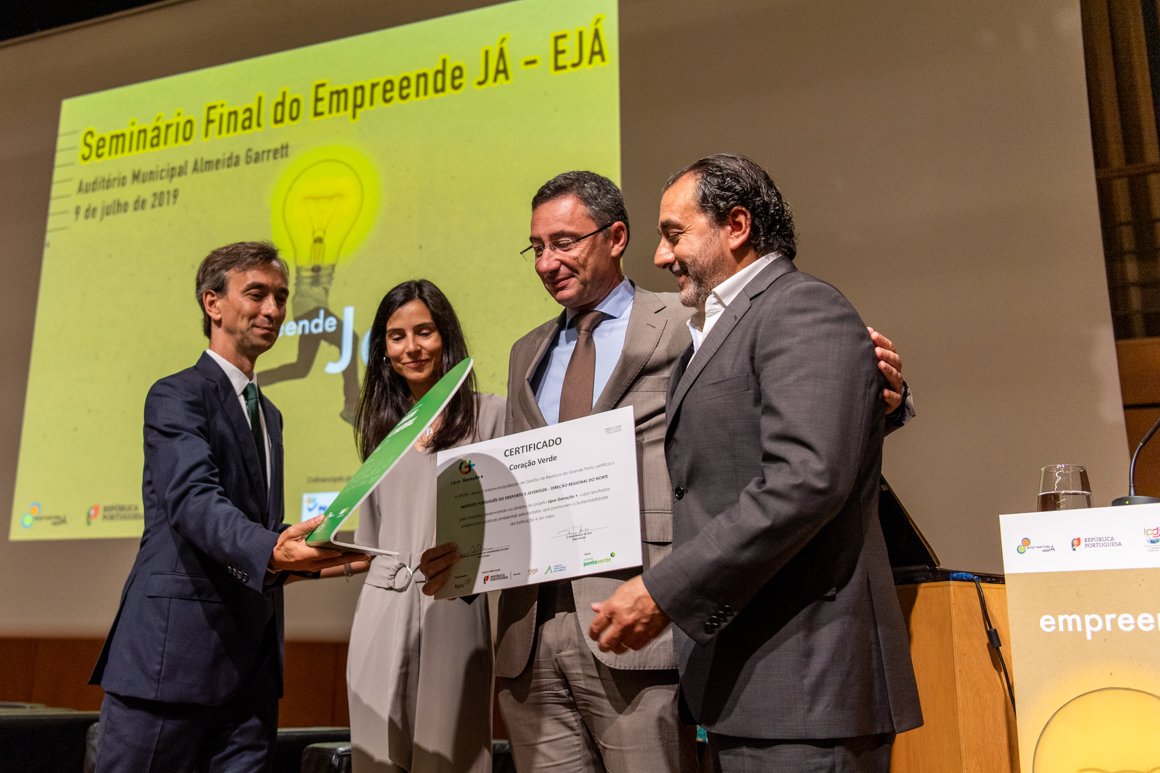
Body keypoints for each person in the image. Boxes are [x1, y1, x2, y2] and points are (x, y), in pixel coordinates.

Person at [421, 172, 910, 772]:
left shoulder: (695, 317)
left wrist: (887, 397)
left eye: (564, 243)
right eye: (537, 247)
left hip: (646, 620)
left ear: (614, 237)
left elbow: (800, 416)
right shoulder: (527, 351)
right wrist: (471, 551)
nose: (547, 262)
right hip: (532, 633)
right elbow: (532, 479)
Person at [588, 154, 923, 772]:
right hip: (748, 685)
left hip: (806, 682)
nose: (660, 256)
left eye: (674, 234)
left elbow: (805, 479)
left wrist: (664, 591)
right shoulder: (717, 329)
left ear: (737, 226)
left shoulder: (801, 307)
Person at [90, 241, 362, 772]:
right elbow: (194, 501)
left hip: (251, 677)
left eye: (281, 297)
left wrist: (348, 551)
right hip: (169, 665)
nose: (273, 310)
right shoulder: (176, 395)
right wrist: (275, 550)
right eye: (257, 294)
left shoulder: (270, 415)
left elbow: (258, 529)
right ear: (212, 303)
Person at [345, 280, 504, 773]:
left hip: (453, 604)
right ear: (383, 349)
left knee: (450, 757)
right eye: (396, 337)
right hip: (379, 608)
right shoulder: (380, 430)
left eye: (424, 332)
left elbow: (512, 522)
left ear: (445, 337)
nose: (411, 347)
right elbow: (370, 540)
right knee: (375, 756)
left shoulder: (491, 414)